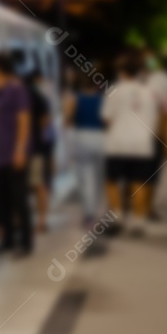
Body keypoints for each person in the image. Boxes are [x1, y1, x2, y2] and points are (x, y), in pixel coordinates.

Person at [101, 53, 160, 236]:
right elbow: (155, 120)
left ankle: (117, 216)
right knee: (139, 183)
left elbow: (107, 118)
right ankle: (138, 222)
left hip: (118, 143)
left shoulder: (114, 90)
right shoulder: (149, 92)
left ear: (121, 72)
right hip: (143, 144)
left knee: (111, 181)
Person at [0, 54, 33, 258]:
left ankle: (25, 243)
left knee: (19, 199)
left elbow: (24, 120)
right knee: (2, 200)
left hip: (14, 153)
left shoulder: (16, 90)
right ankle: (7, 240)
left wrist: (20, 149)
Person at [63, 66, 107, 228]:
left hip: (81, 137)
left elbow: (67, 120)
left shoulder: (74, 98)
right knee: (99, 177)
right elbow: (107, 120)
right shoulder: (104, 99)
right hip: (101, 137)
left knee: (85, 177)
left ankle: (89, 214)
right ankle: (98, 208)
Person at [143, 50, 167, 219]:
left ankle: (144, 207)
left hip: (149, 134)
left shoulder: (163, 82)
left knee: (147, 173)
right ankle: (145, 208)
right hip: (148, 135)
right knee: (148, 174)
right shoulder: (166, 83)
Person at [25, 71, 55, 233]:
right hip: (38, 146)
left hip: (28, 147)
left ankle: (31, 220)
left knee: (30, 186)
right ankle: (42, 221)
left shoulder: (25, 97)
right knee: (39, 185)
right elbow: (46, 122)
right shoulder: (40, 98)